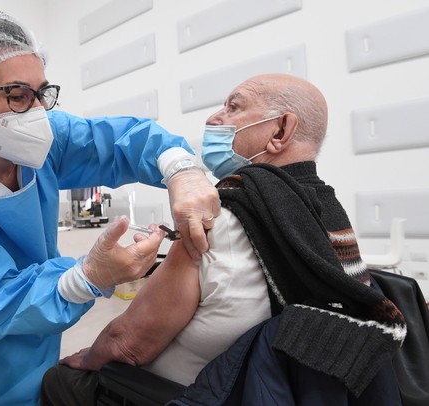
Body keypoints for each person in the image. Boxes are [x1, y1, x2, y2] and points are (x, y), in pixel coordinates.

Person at [0, 10, 220, 406]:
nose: (38, 113)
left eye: (42, 94)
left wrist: (182, 170)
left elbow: (123, 141)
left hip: (42, 312)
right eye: (18, 96)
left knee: (47, 388)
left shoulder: (44, 136)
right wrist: (89, 275)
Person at [41, 73, 407, 405]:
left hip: (196, 395)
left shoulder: (224, 217)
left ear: (280, 131)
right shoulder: (328, 213)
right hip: (280, 391)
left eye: (233, 107)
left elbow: (127, 343)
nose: (213, 118)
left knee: (58, 380)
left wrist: (85, 357)